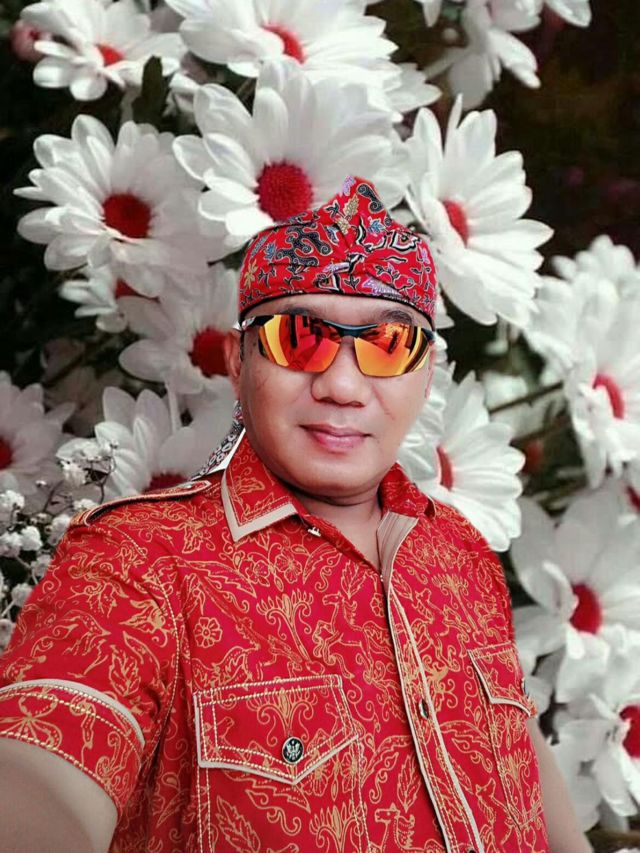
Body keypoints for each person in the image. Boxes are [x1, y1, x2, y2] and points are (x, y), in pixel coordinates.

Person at [0, 177, 590, 853]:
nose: (342, 385)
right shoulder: (140, 561)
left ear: (426, 374)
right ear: (237, 361)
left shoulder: (463, 554)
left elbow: (522, 764)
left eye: (388, 344)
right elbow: (43, 764)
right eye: (299, 338)